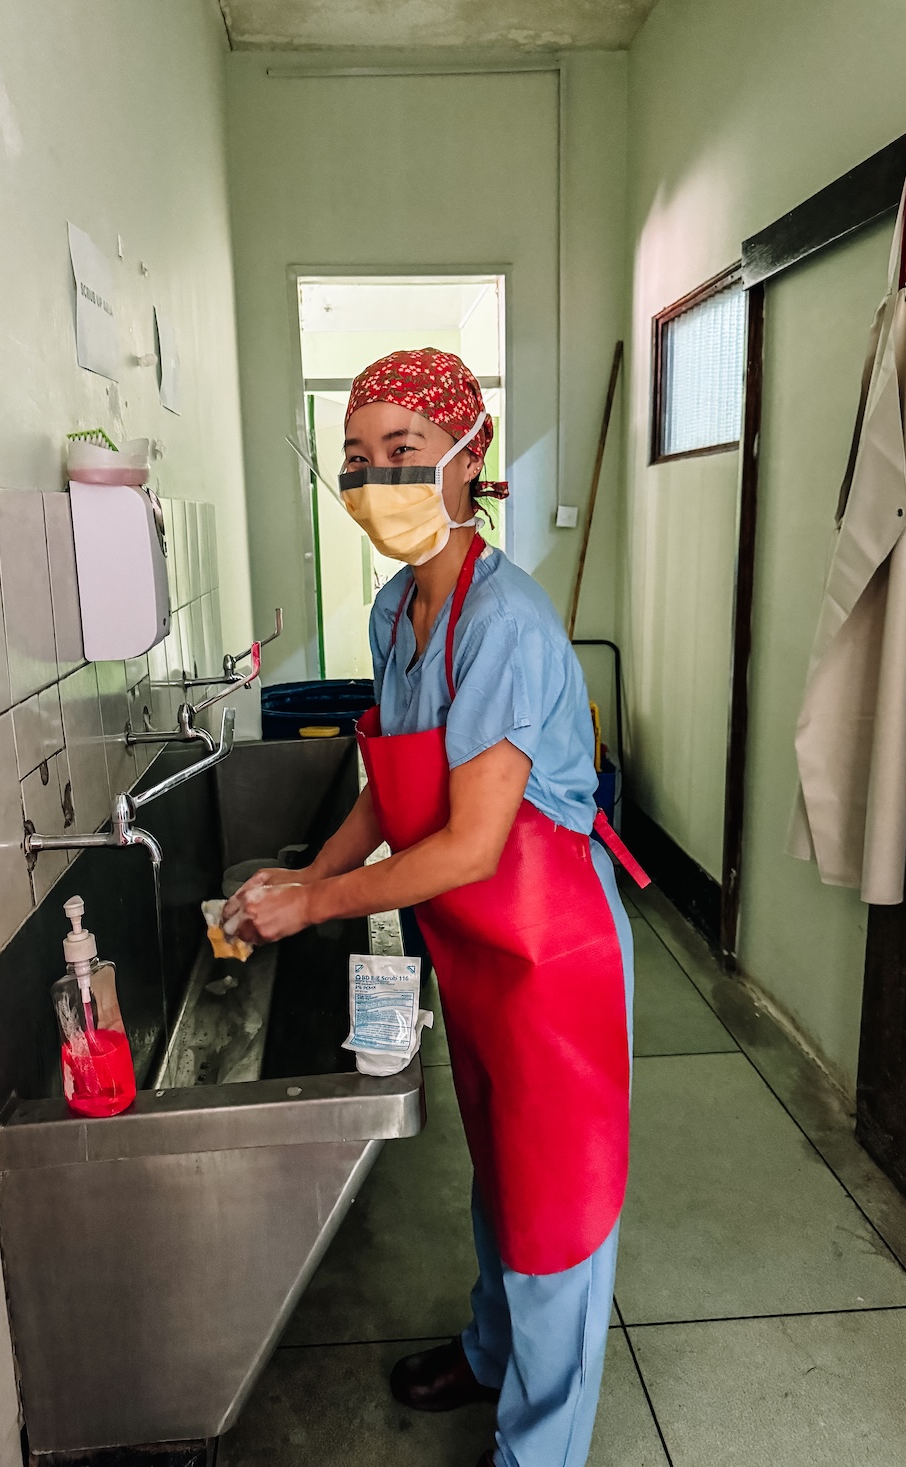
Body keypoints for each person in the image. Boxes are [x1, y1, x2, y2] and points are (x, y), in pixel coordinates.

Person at [224, 348, 645, 1467]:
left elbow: (466, 841)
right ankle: (489, 1356)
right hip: (472, 949)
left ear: (468, 456)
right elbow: (394, 787)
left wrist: (315, 906)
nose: (375, 486)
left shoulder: (507, 622)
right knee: (498, 1175)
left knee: (558, 1210)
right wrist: (304, 874)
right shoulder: (393, 609)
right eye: (355, 462)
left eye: (402, 453)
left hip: (550, 957)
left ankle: (537, 1451)